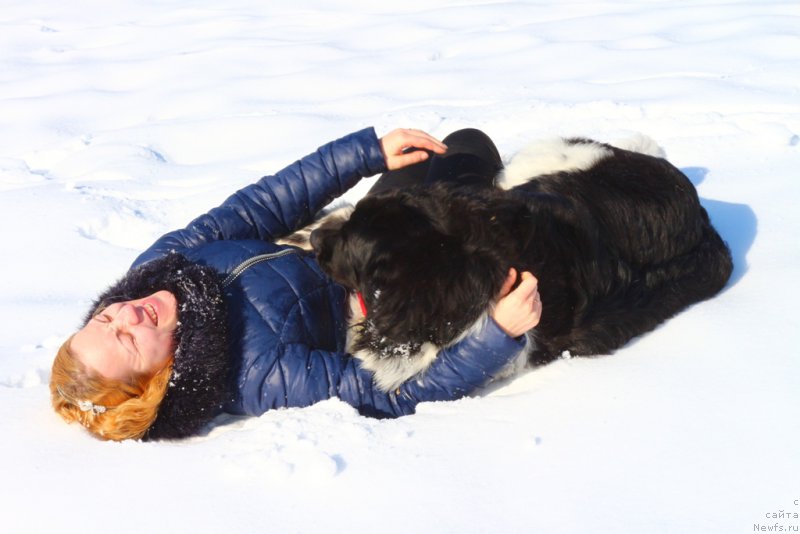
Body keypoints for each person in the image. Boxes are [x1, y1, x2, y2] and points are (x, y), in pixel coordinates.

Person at [50, 127, 542, 441]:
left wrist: (365, 154)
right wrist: (495, 337)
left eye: (106, 318)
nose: (128, 314)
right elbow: (388, 394)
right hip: (387, 286)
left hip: (338, 241)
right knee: (501, 205)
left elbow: (255, 209)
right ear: (159, 377)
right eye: (129, 341)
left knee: (462, 143)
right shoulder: (255, 374)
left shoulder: (156, 267)